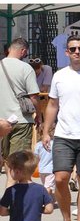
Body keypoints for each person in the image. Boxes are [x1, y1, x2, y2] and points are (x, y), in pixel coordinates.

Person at [42, 34, 80, 221]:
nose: (77, 52)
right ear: (67, 52)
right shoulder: (59, 75)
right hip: (63, 134)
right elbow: (53, 105)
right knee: (61, 178)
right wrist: (46, 130)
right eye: (73, 49)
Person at [0, 38, 41, 169]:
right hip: (21, 120)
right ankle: (14, 187)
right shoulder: (26, 68)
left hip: (1, 120)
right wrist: (39, 115)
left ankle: (9, 187)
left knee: (6, 160)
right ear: (23, 51)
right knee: (18, 162)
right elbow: (34, 96)